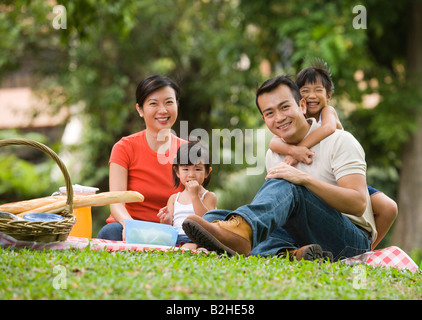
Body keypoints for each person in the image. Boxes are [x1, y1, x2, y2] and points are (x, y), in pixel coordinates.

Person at [182, 75, 377, 261]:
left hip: (349, 240)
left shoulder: (339, 141)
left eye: (285, 107)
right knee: (213, 217)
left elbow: (358, 203)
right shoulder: (274, 155)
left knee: (289, 183)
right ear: (264, 120)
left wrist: (304, 179)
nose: (279, 117)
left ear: (301, 106)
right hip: (301, 235)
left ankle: (244, 235)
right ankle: (290, 255)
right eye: (270, 113)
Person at [268, 62, 397, 249]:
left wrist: (299, 150)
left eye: (318, 90)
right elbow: (273, 142)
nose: (311, 95)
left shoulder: (328, 112)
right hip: (316, 178)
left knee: (388, 207)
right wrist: (292, 151)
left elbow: (328, 128)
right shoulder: (293, 117)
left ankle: (368, 248)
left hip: (337, 178)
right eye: (305, 90)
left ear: (328, 96)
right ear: (297, 97)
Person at [97, 75, 186, 241]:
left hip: (172, 231)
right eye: (153, 103)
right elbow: (116, 202)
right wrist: (132, 228)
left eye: (169, 102)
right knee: (110, 232)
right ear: (140, 109)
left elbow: (194, 203)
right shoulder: (124, 147)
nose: (163, 110)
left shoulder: (188, 150)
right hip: (129, 226)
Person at [158, 141, 217, 249]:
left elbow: (207, 221)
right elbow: (168, 228)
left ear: (207, 172)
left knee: (194, 246)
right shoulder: (174, 198)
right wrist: (166, 219)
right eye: (185, 169)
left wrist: (195, 196)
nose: (191, 174)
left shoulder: (209, 196)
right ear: (177, 172)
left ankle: (194, 249)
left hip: (198, 238)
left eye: (198, 169)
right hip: (176, 237)